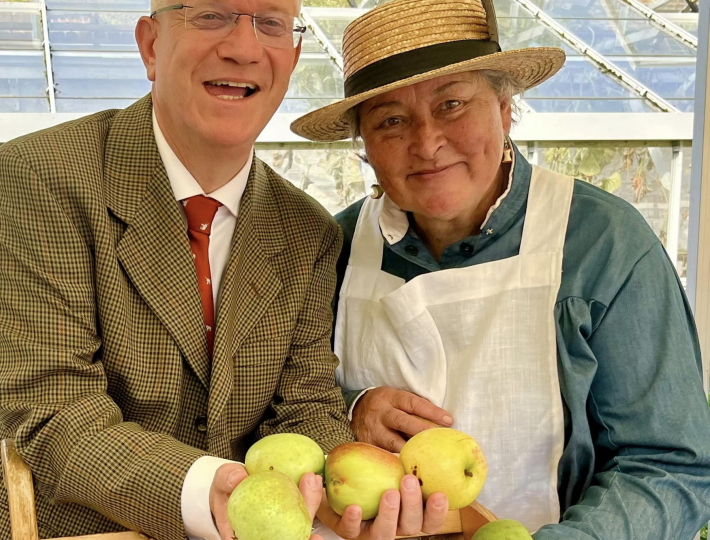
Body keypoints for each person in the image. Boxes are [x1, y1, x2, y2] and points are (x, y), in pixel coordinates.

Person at [0, 0, 452, 537]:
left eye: (271, 23)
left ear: (293, 54)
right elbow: (53, 413)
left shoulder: (308, 231)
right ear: (150, 45)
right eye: (211, 15)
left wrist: (356, 494)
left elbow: (303, 404)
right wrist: (210, 491)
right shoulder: (39, 180)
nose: (243, 48)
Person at [291, 0, 710, 538]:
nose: (426, 142)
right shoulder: (335, 248)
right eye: (391, 120)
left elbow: (670, 464)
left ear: (505, 107)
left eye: (452, 104)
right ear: (364, 146)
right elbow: (284, 405)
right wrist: (352, 414)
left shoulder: (602, 245)